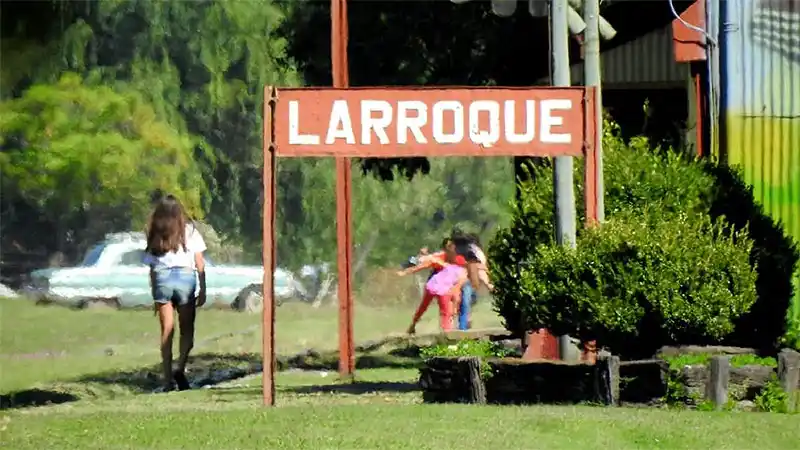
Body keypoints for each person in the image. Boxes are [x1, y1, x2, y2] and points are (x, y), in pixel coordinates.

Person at [144, 195, 207, 391]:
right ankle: (180, 368)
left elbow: (152, 267)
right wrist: (203, 288)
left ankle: (167, 379)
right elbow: (199, 262)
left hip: (162, 279)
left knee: (167, 331)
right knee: (187, 329)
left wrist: (155, 295)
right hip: (185, 278)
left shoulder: (155, 233)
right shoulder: (190, 231)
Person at [399, 254, 468, 334]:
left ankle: (413, 325)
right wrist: (455, 308)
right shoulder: (463, 274)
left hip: (431, 286)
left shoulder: (446, 265)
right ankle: (446, 334)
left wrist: (405, 272)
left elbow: (431, 261)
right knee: (446, 313)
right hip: (443, 291)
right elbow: (456, 293)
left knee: (423, 307)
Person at [452, 233, 493, 331]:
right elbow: (478, 266)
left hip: (465, 281)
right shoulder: (470, 252)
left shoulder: (467, 252)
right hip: (464, 281)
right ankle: (463, 325)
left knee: (465, 303)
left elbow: (477, 266)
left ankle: (463, 325)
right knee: (465, 303)